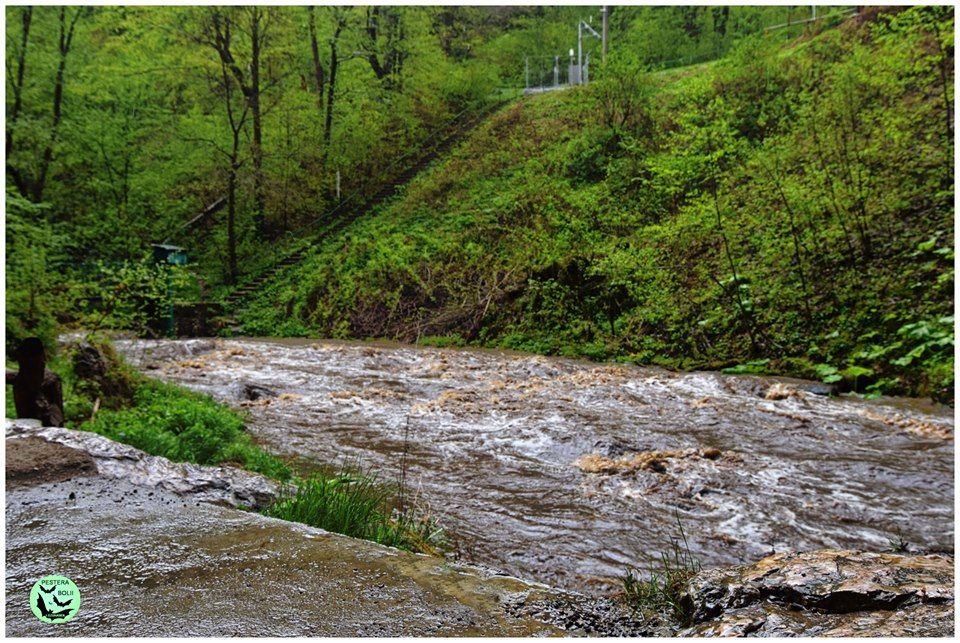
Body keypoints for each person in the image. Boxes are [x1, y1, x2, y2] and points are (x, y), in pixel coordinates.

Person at [6, 337, 64, 427]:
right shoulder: (19, 378)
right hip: (24, 426)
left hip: (44, 428)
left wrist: (45, 411)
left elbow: (57, 416)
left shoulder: (50, 381)